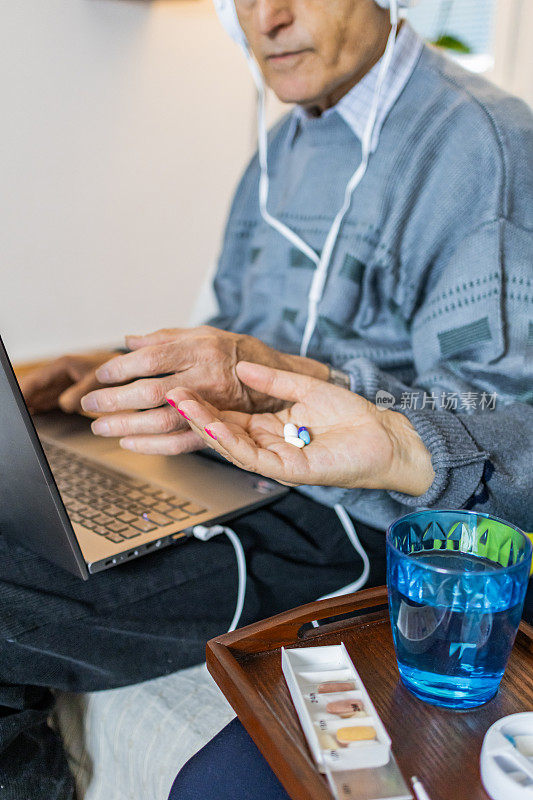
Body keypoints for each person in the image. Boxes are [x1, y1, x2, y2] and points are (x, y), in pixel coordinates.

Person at [8, 0, 532, 796]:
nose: (269, 17)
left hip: (337, 523)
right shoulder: (279, 144)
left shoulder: (483, 147)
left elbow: (500, 440)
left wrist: (360, 415)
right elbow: (235, 330)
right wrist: (118, 365)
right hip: (221, 465)